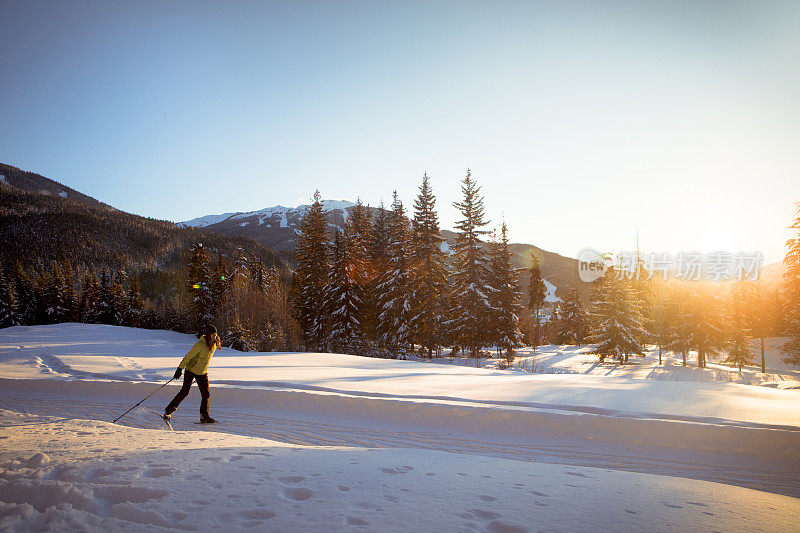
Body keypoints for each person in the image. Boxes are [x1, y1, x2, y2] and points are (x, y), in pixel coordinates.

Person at [163, 324, 222, 423]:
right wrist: (179, 369)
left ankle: (204, 416)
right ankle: (168, 411)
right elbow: (188, 357)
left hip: (202, 372)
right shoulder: (199, 345)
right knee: (185, 392)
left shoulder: (214, 344)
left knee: (206, 394)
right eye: (212, 334)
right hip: (191, 371)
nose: (214, 336)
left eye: (215, 334)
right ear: (208, 335)